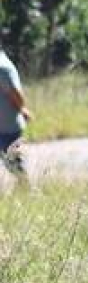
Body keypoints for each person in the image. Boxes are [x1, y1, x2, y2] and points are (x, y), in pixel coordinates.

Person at [0, 46, 31, 184]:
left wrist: (22, 108)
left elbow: (14, 94)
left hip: (6, 126)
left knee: (14, 165)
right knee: (12, 164)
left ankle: (26, 191)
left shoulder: (2, 68)